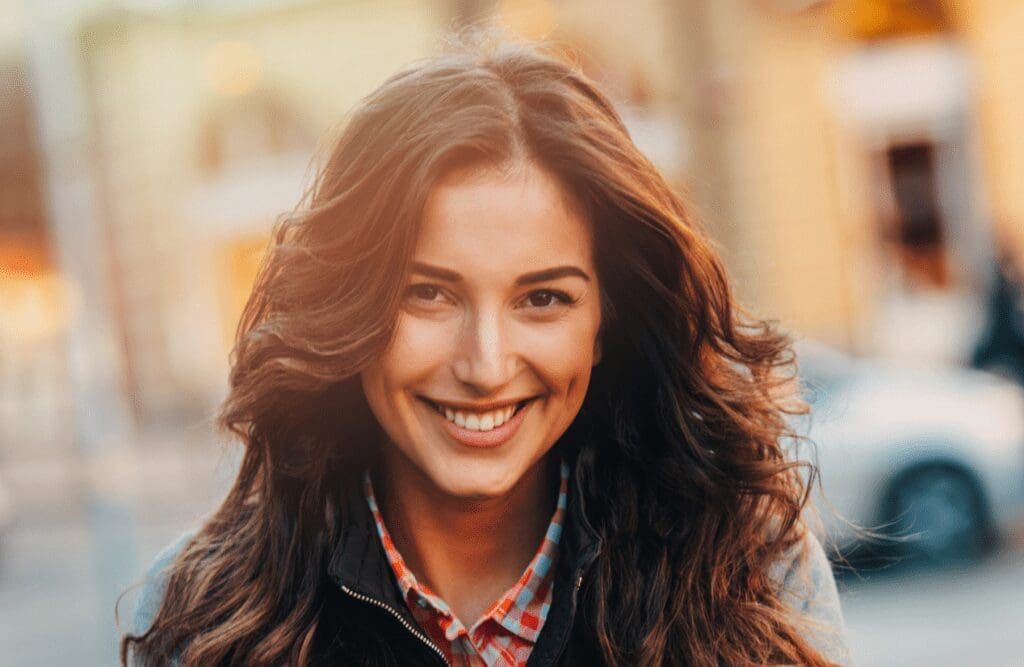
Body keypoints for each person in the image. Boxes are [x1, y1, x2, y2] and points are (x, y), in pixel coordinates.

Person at [121, 36, 851, 666]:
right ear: (351, 308)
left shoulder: (750, 574)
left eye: (544, 298)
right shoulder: (207, 614)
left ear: (606, 322)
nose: (486, 365)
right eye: (428, 294)